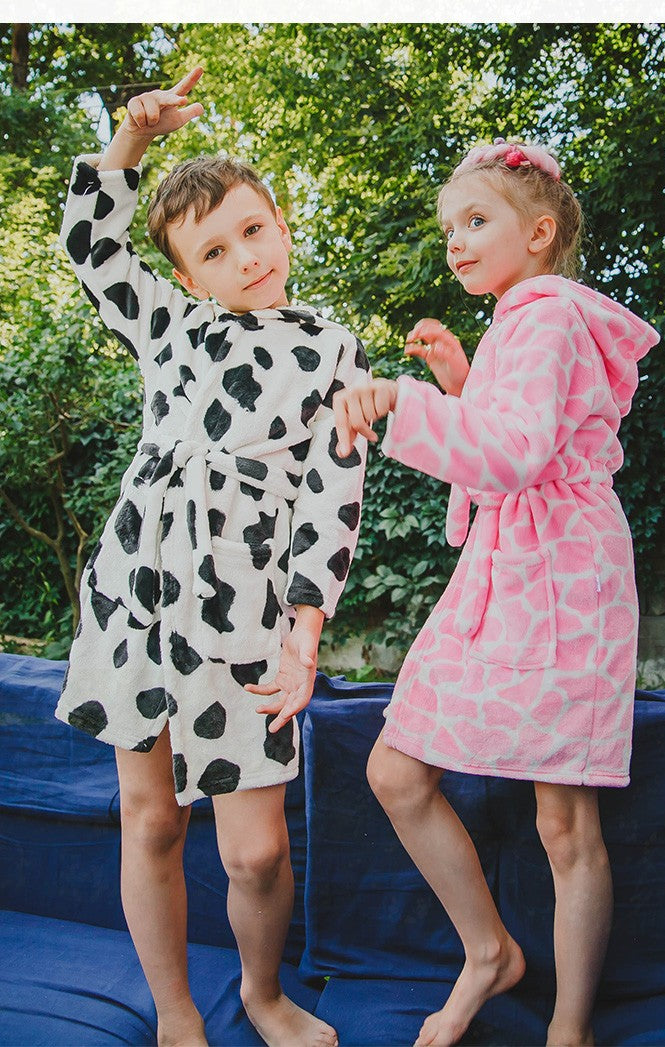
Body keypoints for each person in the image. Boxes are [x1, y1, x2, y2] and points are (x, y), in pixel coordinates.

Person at [55, 66, 368, 1047]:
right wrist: (132, 141)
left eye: (254, 230)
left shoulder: (332, 350)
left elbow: (333, 495)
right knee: (151, 820)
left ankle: (264, 996)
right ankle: (176, 1014)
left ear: (282, 223)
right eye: (216, 251)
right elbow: (90, 243)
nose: (245, 258)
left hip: (246, 613)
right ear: (189, 278)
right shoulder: (168, 322)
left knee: (255, 853)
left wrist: (305, 634)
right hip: (137, 596)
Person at [333, 136, 659, 1047]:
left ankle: (568, 1027)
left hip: (566, 575)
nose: (456, 242)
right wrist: (460, 384)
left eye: (476, 221)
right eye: (451, 228)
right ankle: (490, 951)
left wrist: (404, 398)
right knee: (396, 772)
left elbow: (515, 456)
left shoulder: (547, 317)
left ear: (540, 233)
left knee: (565, 821)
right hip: (507, 567)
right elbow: (515, 435)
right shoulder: (520, 321)